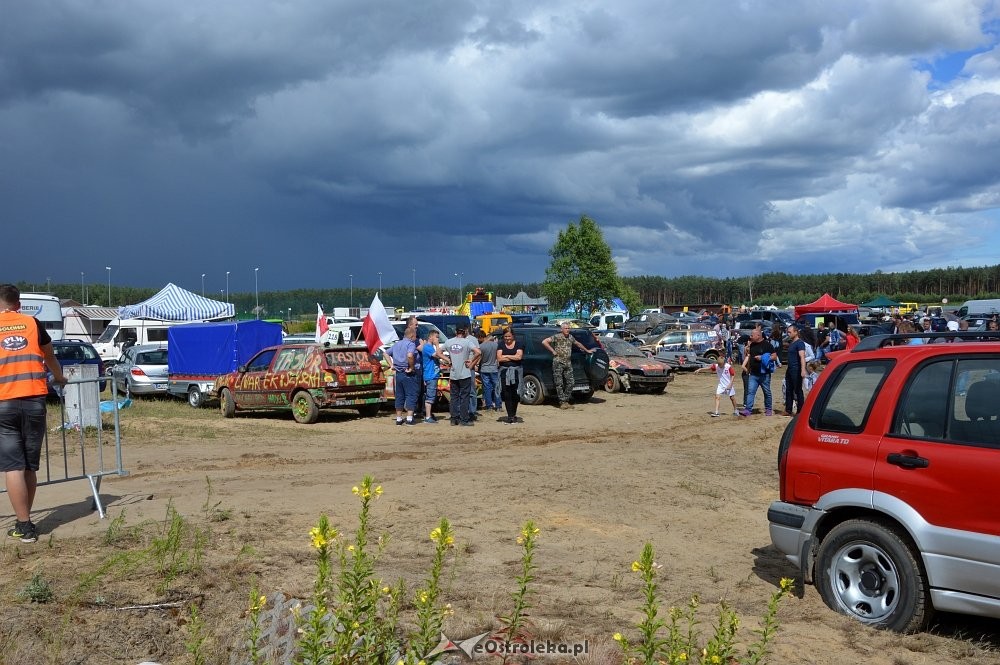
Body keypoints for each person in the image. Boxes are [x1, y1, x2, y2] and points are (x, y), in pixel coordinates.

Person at [1, 284, 67, 543]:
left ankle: (24, 524)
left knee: (13, 467)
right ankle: (25, 522)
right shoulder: (33, 323)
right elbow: (50, 357)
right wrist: (60, 378)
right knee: (29, 466)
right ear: (18, 304)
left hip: (4, 403)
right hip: (34, 401)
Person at [541, 323, 595, 409]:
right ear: (562, 329)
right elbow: (544, 342)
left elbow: (578, 344)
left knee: (571, 383)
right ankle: (562, 402)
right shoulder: (557, 337)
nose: (567, 330)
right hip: (558, 363)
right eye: (565, 328)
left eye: (568, 328)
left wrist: (587, 350)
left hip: (568, 363)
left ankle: (565, 400)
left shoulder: (570, 337)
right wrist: (553, 351)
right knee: (559, 383)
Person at [446, 325, 480, 426]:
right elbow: (478, 352)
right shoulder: (467, 342)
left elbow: (438, 352)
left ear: (455, 332)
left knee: (454, 397)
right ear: (464, 332)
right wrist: (471, 361)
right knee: (465, 397)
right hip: (465, 373)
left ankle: (454, 418)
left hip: (453, 373)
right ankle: (464, 419)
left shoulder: (449, 341)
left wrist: (448, 360)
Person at [739, 327, 774, 417]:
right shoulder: (752, 345)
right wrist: (748, 369)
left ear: (758, 335)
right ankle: (748, 410)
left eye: (752, 335)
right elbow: (750, 357)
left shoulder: (767, 345)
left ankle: (768, 409)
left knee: (766, 392)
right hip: (753, 374)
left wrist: (762, 358)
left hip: (764, 374)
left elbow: (774, 357)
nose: (750, 337)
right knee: (750, 392)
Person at [388, 327, 419, 425]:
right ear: (412, 335)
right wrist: (411, 367)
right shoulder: (411, 344)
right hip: (408, 373)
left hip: (398, 373)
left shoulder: (397, 344)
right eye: (415, 336)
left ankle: (398, 419)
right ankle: (409, 418)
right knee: (411, 394)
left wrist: (391, 365)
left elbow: (385, 353)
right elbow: (410, 355)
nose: (416, 338)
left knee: (399, 395)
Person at [420, 329, 448, 424]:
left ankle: (429, 414)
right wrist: (437, 345)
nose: (437, 339)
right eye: (436, 337)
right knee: (430, 396)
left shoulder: (430, 347)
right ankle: (428, 417)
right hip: (430, 375)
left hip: (433, 375)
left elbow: (438, 356)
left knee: (432, 396)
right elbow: (437, 355)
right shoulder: (428, 347)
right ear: (430, 337)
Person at [496, 328, 524, 424]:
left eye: (509, 336)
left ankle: (514, 414)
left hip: (516, 372)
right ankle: (510, 416)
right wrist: (512, 357)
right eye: (505, 336)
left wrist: (506, 356)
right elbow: (499, 358)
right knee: (506, 393)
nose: (507, 338)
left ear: (513, 336)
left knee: (515, 393)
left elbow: (519, 357)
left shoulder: (519, 344)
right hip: (504, 372)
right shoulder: (501, 344)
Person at [782, 324, 807, 416]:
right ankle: (788, 409)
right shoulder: (792, 343)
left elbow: (802, 357)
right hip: (790, 369)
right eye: (787, 332)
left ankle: (800, 411)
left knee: (798, 390)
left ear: (796, 332)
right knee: (788, 389)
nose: (788, 334)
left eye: (790, 332)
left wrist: (803, 370)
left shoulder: (800, 343)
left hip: (796, 369)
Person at [476, 330, 500, 412]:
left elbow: (479, 358)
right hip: (494, 368)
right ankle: (498, 405)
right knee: (496, 387)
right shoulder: (495, 345)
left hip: (484, 369)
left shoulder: (481, 346)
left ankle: (489, 405)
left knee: (487, 388)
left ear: (480, 337)